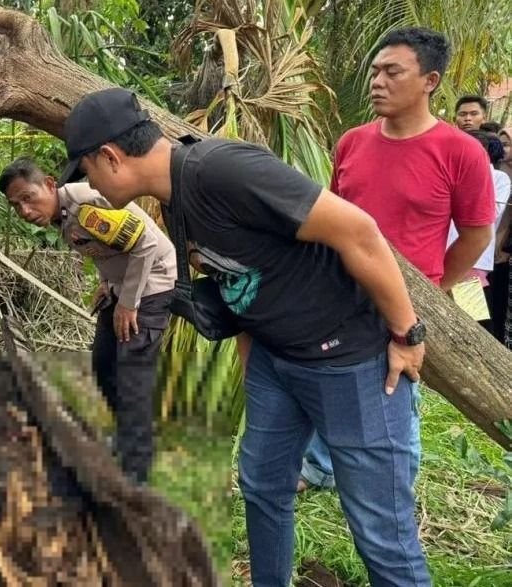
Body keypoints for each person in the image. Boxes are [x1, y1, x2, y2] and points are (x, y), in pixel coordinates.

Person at [58, 87, 430, 586]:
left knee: (381, 531)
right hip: (276, 361)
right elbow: (239, 282)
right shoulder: (173, 199)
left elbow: (358, 231)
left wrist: (408, 333)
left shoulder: (222, 170)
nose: (91, 186)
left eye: (87, 172)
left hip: (348, 361)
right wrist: (257, 367)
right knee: (262, 487)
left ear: (110, 156)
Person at [301, 28, 494, 492]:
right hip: (338, 290)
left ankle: (395, 486)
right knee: (330, 378)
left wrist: (433, 286)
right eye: (375, 72)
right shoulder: (352, 142)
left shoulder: (461, 151)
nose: (377, 82)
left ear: (430, 81)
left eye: (392, 72)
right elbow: (335, 215)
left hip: (406, 301)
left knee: (395, 388)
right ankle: (320, 466)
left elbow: (476, 234)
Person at [0, 157, 176, 484]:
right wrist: (107, 283)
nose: (24, 210)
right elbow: (109, 247)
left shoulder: (85, 207)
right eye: (15, 205)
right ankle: (127, 437)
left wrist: (128, 302)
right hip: (121, 287)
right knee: (104, 366)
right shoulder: (62, 214)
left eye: (28, 198)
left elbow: (148, 244)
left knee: (131, 377)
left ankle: (135, 474)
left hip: (150, 286)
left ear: (49, 184)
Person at [446, 130, 511, 337]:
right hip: (443, 253)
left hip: (472, 259)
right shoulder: (451, 173)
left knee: (472, 323)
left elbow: (490, 213)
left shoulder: (498, 178)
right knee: (445, 314)